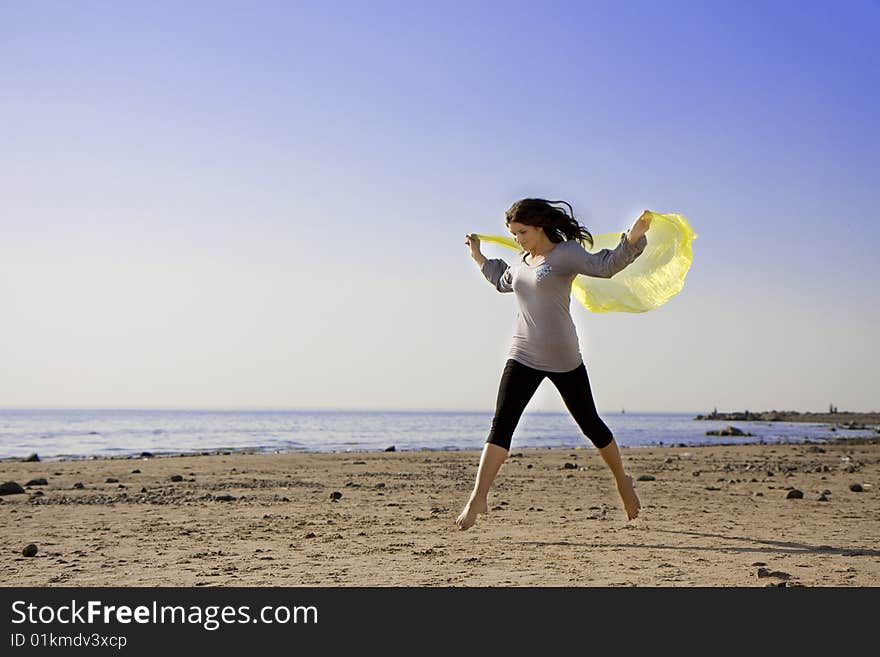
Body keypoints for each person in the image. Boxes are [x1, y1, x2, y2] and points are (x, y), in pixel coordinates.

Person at [456, 198, 651, 530]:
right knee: (502, 424)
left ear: (540, 226)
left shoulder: (566, 254)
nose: (517, 238)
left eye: (522, 232)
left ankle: (622, 480)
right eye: (514, 233)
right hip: (523, 354)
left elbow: (605, 266)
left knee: (590, 424)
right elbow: (502, 279)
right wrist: (477, 257)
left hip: (563, 357)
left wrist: (632, 239)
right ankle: (477, 497)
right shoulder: (521, 260)